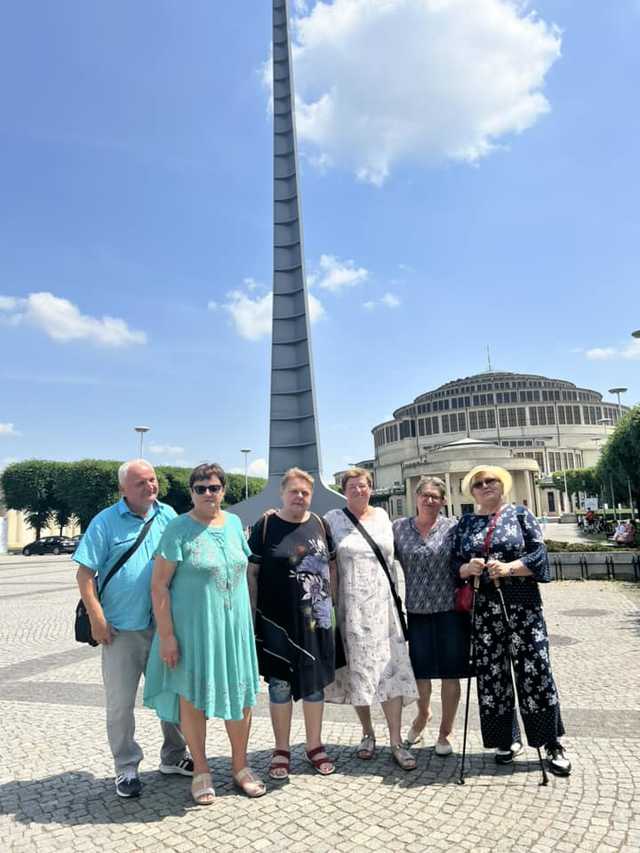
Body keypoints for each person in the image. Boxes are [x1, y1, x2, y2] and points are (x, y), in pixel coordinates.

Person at [143, 463, 263, 805]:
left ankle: (241, 767)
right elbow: (159, 586)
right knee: (193, 699)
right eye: (200, 488)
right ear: (191, 493)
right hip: (193, 632)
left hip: (233, 630)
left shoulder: (235, 524)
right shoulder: (178, 529)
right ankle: (201, 771)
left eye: (214, 487)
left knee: (240, 699)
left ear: (224, 490)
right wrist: (167, 636)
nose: (208, 493)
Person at [74, 459, 191, 799]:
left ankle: (174, 756)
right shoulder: (105, 521)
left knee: (173, 696)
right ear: (123, 489)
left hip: (163, 627)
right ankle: (126, 767)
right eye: (140, 483)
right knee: (121, 703)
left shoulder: (168, 515)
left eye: (152, 480)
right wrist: (97, 618)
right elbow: (84, 575)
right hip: (120, 629)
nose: (149, 487)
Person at [452, 465, 571, 777]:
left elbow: (539, 557)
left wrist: (509, 568)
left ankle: (550, 742)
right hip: (484, 610)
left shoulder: (520, 515)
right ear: (471, 491)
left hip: (523, 606)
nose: (485, 485)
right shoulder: (465, 523)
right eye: (478, 483)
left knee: (535, 671)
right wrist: (469, 567)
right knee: (492, 676)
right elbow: (454, 564)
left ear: (502, 484)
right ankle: (506, 739)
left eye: (491, 480)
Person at [324, 468, 418, 771]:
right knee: (359, 673)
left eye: (363, 486)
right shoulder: (331, 520)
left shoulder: (383, 518)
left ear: (371, 488)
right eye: (352, 486)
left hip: (384, 608)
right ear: (344, 490)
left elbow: (404, 555)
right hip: (351, 610)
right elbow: (323, 560)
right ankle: (367, 732)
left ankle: (396, 740)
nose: (358, 490)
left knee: (390, 671)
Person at [247, 468, 336, 780]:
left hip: (315, 620)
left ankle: (314, 745)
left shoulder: (320, 524)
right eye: (294, 491)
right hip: (275, 620)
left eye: (305, 492)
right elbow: (252, 573)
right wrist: (251, 613)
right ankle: (281, 749)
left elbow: (332, 568)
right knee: (280, 686)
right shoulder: (266, 524)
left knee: (313, 686)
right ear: (282, 493)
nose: (299, 497)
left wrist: (332, 606)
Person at [393, 476, 468, 757]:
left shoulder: (453, 528)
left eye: (435, 496)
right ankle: (423, 715)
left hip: (450, 611)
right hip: (417, 612)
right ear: (416, 498)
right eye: (425, 495)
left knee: (450, 674)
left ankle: (444, 733)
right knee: (421, 675)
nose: (429, 500)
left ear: (443, 501)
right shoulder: (399, 529)